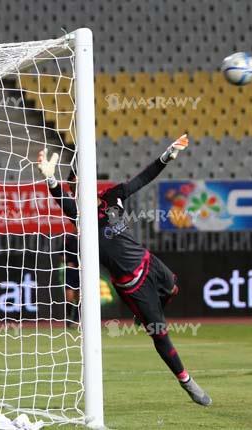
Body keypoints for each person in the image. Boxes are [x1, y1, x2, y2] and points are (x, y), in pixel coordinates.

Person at [38, 135, 211, 406]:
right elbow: (61, 199)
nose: (82, 186)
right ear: (73, 187)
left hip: (148, 261)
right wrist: (50, 180)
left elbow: (141, 180)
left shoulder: (112, 198)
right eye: (76, 183)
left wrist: (166, 156)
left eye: (85, 180)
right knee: (159, 332)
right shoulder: (79, 215)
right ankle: (187, 381)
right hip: (132, 284)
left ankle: (145, 315)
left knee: (174, 286)